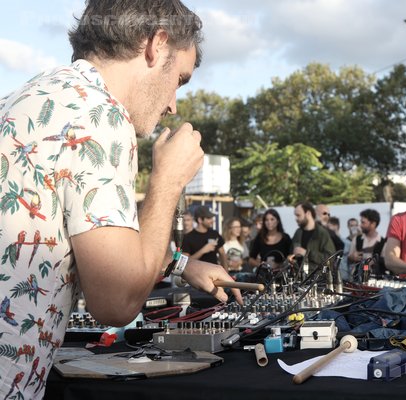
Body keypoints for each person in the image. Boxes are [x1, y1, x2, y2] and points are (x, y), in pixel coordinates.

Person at [0, 2, 241, 398]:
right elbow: (115, 302)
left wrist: (180, 264)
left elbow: (81, 237)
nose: (173, 105)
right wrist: (168, 180)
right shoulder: (102, 115)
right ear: (157, 45)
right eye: (179, 80)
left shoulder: (33, 94)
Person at [291, 202, 336, 269]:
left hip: (316, 277)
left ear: (308, 213)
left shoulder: (322, 233)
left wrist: (307, 253)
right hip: (299, 276)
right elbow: (291, 253)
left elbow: (330, 258)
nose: (296, 219)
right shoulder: (298, 232)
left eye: (298, 215)